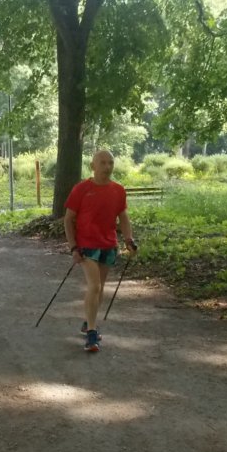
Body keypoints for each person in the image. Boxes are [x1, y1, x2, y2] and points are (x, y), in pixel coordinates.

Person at [63, 149, 138, 352]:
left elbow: (123, 217)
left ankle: (89, 321)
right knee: (94, 286)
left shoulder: (118, 190)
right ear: (93, 166)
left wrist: (128, 239)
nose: (107, 167)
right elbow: (68, 219)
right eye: (103, 163)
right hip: (86, 245)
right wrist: (73, 247)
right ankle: (92, 333)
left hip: (108, 244)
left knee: (100, 287)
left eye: (110, 163)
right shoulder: (81, 189)